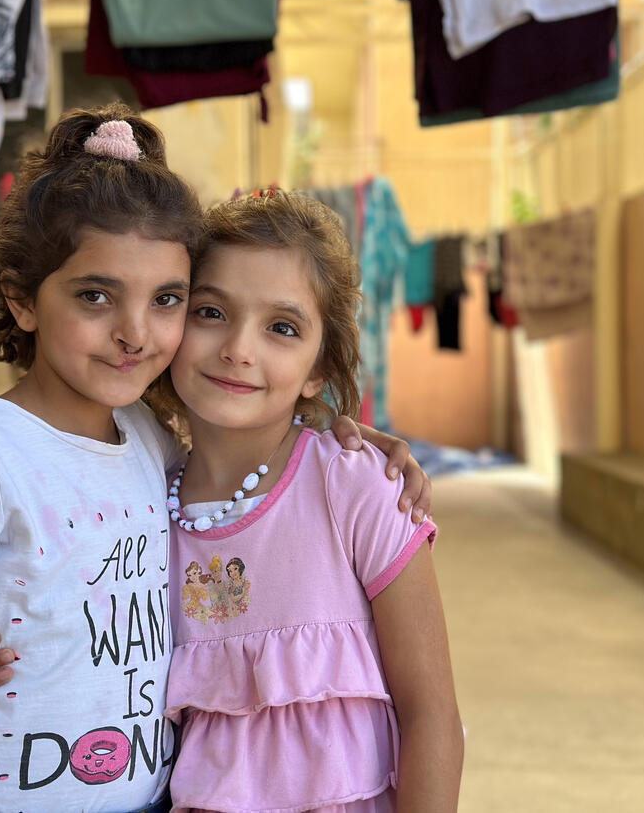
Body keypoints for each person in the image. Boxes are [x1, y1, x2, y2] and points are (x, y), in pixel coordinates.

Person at [0, 104, 432, 813]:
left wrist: (339, 425)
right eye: (95, 296)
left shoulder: (149, 443)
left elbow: (254, 418)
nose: (134, 334)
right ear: (22, 299)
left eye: (167, 300)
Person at [154, 189, 464, 812]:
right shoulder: (140, 497)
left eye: (283, 328)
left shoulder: (355, 490)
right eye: (210, 312)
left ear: (318, 369)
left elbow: (433, 720)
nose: (240, 348)